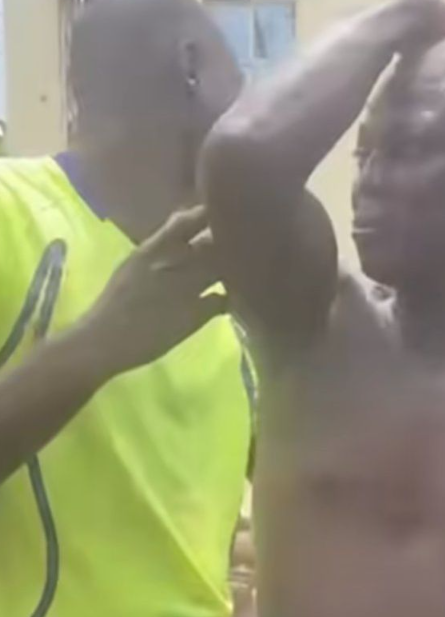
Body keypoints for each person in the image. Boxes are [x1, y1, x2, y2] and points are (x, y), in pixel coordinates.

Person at [0, 0, 252, 616]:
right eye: (242, 77)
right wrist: (97, 346)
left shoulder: (227, 280)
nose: (252, 106)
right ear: (191, 66)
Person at [201, 0, 445, 616]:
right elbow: (244, 156)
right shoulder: (315, 325)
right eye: (365, 155)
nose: (371, 181)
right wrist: (408, 15)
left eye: (409, 149)